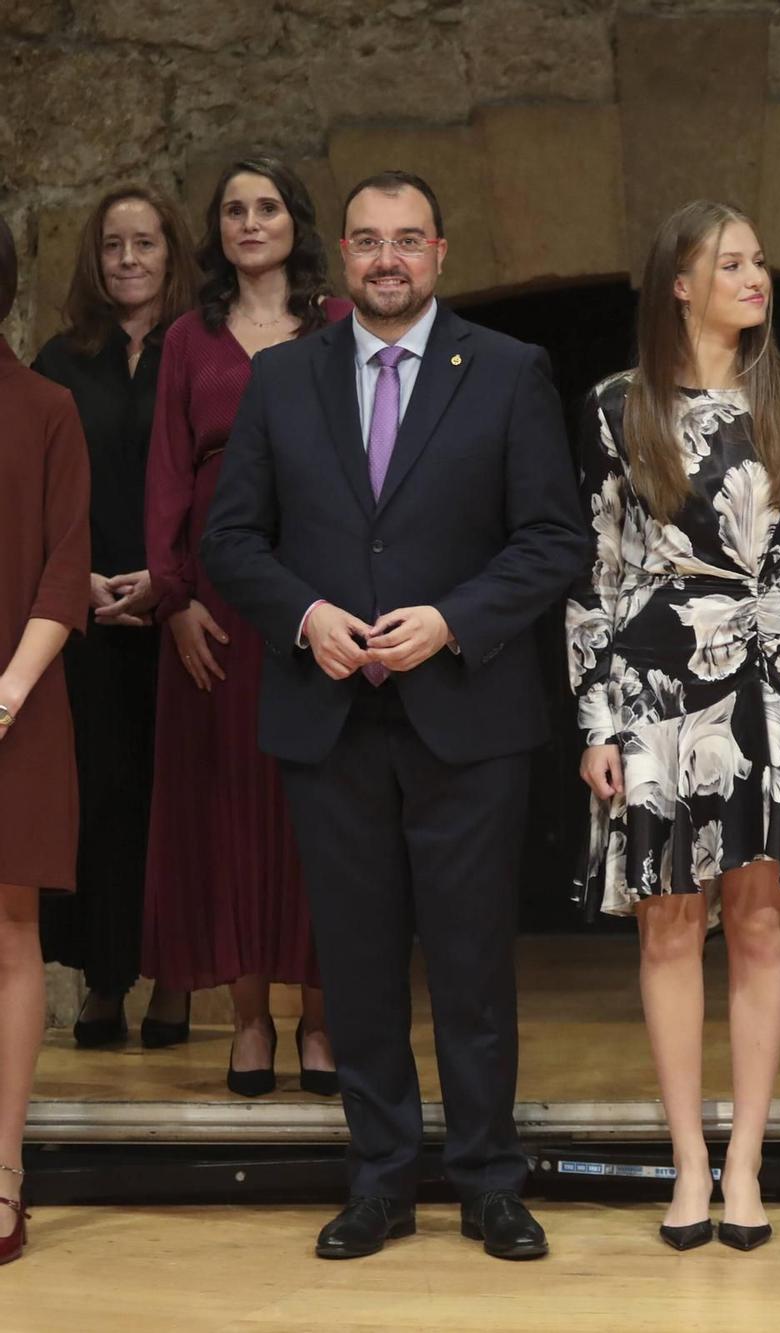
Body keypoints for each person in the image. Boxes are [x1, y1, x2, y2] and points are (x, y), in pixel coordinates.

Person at [202, 170, 589, 1261]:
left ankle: (486, 1179)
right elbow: (232, 541)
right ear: (344, 249)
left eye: (407, 241)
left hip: (465, 710)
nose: (386, 260)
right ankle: (376, 1179)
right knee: (358, 965)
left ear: (440, 252)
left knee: (471, 964)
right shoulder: (282, 381)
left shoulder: (508, 372)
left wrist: (456, 621)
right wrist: (306, 615)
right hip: (329, 715)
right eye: (367, 241)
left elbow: (553, 539)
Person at [569, 200, 780, 1254]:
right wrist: (595, 717)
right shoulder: (612, 406)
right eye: (730, 262)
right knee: (670, 922)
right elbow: (592, 572)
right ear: (676, 283)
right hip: (650, 680)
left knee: (762, 922)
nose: (755, 275)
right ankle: (686, 1154)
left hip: (768, 677)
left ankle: (745, 1160)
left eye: (759, 260)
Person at [143, 158, 348, 1094]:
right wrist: (174, 596)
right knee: (231, 804)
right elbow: (168, 473)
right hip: (218, 599)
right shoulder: (190, 337)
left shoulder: (339, 325)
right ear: (216, 229)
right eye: (233, 209)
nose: (249, 222)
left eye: (266, 207)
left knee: (321, 802)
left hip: (319, 587)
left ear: (295, 222)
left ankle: (320, 1019)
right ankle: (251, 1019)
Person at [33, 185, 196, 1049]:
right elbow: (40, 489)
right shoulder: (62, 360)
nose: (128, 260)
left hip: (182, 615)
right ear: (94, 262)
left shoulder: (202, 348)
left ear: (173, 252)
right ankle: (104, 979)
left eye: (145, 243)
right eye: (112, 247)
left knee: (177, 796)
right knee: (102, 792)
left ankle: (175, 979)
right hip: (88, 615)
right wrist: (81, 580)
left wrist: (173, 580)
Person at [0, 214, 93, 1264]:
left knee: (6, 930)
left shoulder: (48, 408)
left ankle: (4, 1171)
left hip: (15, 707)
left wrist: (5, 696)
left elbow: (65, 571)